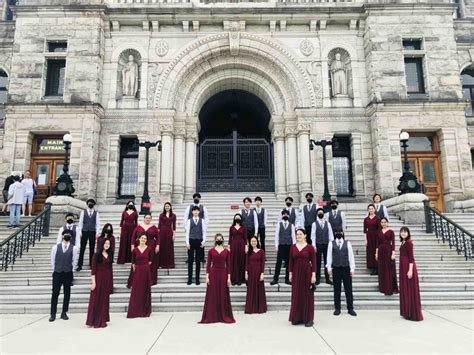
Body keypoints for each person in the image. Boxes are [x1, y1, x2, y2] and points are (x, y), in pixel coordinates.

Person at [199, 234, 235, 324]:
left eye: (220, 239)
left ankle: (223, 314)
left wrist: (229, 278)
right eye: (217, 239)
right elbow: (208, 265)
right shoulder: (211, 251)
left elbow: (229, 265)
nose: (219, 240)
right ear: (215, 240)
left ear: (223, 240)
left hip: (223, 273)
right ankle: (212, 315)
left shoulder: (226, 251)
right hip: (213, 273)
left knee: (223, 293)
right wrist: (207, 277)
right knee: (213, 294)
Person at [288, 228, 316, 327]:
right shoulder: (293, 247)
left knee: (307, 295)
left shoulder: (310, 247)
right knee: (296, 294)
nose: (298, 236)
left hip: (306, 273)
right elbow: (291, 261)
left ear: (305, 235)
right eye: (297, 234)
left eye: (300, 234)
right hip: (296, 272)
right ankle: (297, 317)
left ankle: (309, 318)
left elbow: (314, 262)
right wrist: (290, 273)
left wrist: (313, 275)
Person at [49, 230, 79, 322]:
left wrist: (71, 270)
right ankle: (53, 314)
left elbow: (74, 260)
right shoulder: (55, 247)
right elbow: (52, 259)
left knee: (67, 293)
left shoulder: (74, 248)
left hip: (68, 273)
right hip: (57, 273)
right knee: (55, 293)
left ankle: (64, 312)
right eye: (66, 234)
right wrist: (55, 269)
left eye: (69, 235)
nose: (67, 236)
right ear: (62, 236)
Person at [326, 228, 357, 316]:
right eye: (337, 232)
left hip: (346, 268)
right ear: (334, 233)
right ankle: (337, 308)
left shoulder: (348, 243)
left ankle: (350, 308)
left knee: (348, 289)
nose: (338, 233)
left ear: (343, 233)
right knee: (337, 289)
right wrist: (329, 268)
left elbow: (351, 257)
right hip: (336, 268)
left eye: (340, 232)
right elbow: (329, 256)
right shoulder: (331, 243)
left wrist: (352, 269)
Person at [86, 238, 113, 328]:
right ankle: (94, 319)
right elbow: (93, 270)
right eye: (106, 243)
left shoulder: (109, 254)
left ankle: (103, 318)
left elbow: (109, 269)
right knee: (96, 299)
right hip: (98, 278)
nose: (107, 245)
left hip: (106, 279)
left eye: (108, 243)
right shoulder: (96, 255)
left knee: (104, 299)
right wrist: (93, 282)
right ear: (102, 244)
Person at [399, 227, 423, 321]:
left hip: (408, 267)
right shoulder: (403, 242)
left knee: (410, 289)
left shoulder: (409, 243)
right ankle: (407, 312)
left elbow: (411, 258)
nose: (403, 233)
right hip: (403, 267)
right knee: (405, 289)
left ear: (408, 233)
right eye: (402, 232)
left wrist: (410, 270)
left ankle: (413, 313)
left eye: (405, 232)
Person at [128, 214, 159, 287]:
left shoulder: (154, 227)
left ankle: (150, 280)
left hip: (151, 246)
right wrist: (132, 245)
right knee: (138, 262)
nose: (148, 219)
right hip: (140, 246)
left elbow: (158, 237)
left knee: (150, 263)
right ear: (144, 218)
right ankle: (136, 280)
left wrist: (158, 245)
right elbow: (133, 236)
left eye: (149, 218)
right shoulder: (139, 227)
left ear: (151, 219)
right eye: (146, 218)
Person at [127, 232, 153, 318]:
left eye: (145, 239)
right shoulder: (135, 250)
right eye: (142, 238)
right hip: (138, 271)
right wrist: (137, 270)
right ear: (139, 239)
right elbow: (133, 263)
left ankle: (144, 310)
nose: (143, 240)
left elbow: (150, 261)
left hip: (146, 271)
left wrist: (144, 268)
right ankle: (136, 310)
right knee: (137, 290)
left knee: (145, 289)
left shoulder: (149, 249)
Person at [270, 209, 296, 286]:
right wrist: (276, 245)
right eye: (284, 214)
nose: (285, 215)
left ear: (288, 216)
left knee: (288, 263)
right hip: (281, 245)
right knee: (278, 263)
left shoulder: (291, 225)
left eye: (286, 214)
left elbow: (293, 236)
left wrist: (294, 247)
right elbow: (276, 236)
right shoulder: (279, 224)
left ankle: (287, 279)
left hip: (289, 246)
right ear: (282, 216)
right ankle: (275, 279)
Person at [375, 217, 398, 296]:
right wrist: (376, 253)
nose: (383, 224)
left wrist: (393, 253)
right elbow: (377, 244)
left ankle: (390, 287)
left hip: (388, 250)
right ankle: (383, 287)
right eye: (382, 222)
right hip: (381, 251)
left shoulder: (391, 231)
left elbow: (393, 243)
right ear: (380, 223)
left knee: (389, 269)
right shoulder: (379, 232)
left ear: (387, 223)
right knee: (382, 269)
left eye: (385, 222)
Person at [183, 193, 209, 263]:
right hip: (191, 226)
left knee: (201, 244)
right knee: (190, 244)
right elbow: (185, 217)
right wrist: (185, 227)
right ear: (193, 198)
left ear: (200, 199)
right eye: (195, 197)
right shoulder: (189, 207)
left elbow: (206, 218)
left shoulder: (203, 207)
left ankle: (201, 258)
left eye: (198, 197)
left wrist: (205, 227)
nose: (196, 198)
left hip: (200, 226)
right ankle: (190, 258)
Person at [311, 208, 334, 285]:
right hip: (318, 244)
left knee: (327, 262)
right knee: (317, 262)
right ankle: (317, 279)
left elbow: (331, 235)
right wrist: (314, 245)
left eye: (321, 212)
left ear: (323, 214)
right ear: (317, 214)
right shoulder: (314, 224)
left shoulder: (328, 223)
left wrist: (331, 245)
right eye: (319, 212)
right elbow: (313, 236)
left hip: (326, 244)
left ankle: (328, 278)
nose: (320, 214)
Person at [77, 198, 101, 271]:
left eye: (92, 203)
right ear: (87, 204)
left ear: (93, 205)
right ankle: (79, 265)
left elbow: (97, 224)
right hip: (84, 231)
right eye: (89, 203)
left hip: (92, 232)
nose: (90, 204)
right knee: (82, 248)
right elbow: (80, 223)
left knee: (92, 248)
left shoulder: (96, 213)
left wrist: (97, 232)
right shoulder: (83, 212)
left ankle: (91, 264)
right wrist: (80, 232)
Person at [245, 236, 267, 314]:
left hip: (258, 272)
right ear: (250, 243)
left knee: (259, 289)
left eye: (254, 241)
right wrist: (246, 272)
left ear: (257, 242)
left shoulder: (261, 251)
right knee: (251, 289)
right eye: (252, 241)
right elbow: (247, 263)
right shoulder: (249, 252)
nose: (253, 243)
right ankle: (251, 308)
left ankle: (259, 308)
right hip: (251, 272)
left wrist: (262, 273)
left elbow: (263, 263)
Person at [185, 206, 207, 285]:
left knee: (198, 261)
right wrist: (187, 243)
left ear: (199, 212)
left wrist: (204, 241)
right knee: (190, 261)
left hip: (199, 241)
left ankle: (197, 279)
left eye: (197, 211)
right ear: (192, 212)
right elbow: (187, 232)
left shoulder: (202, 221)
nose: (196, 212)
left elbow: (204, 232)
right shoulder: (189, 221)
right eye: (194, 211)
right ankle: (189, 279)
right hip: (191, 240)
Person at [228, 213, 248, 286]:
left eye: (239, 218)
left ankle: (240, 279)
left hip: (241, 244)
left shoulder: (244, 227)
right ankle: (234, 279)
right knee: (234, 261)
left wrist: (246, 246)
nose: (237, 219)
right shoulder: (231, 228)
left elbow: (245, 237)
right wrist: (229, 246)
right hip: (233, 245)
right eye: (236, 217)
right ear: (234, 219)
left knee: (241, 260)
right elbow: (230, 238)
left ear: (241, 219)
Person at [96, 223, 116, 294]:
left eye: (110, 228)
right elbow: (98, 247)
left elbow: (113, 247)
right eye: (107, 228)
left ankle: (109, 288)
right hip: (100, 257)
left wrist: (110, 255)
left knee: (109, 273)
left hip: (108, 256)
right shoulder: (99, 238)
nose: (108, 230)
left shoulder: (112, 237)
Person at [158, 202, 176, 269]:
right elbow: (159, 225)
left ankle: (170, 264)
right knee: (162, 247)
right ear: (164, 207)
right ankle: (162, 264)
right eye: (166, 206)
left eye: (168, 206)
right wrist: (158, 234)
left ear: (170, 207)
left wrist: (174, 234)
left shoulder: (173, 215)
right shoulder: (161, 215)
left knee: (169, 247)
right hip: (162, 231)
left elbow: (174, 226)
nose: (167, 207)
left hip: (169, 231)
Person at [364, 204, 380, 276]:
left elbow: (379, 230)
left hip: (376, 236)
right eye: (369, 209)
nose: (371, 210)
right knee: (370, 252)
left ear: (374, 209)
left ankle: (377, 268)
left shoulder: (378, 218)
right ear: (368, 210)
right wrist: (365, 239)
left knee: (375, 251)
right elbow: (365, 230)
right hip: (369, 236)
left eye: (372, 208)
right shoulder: (366, 219)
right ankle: (372, 267)